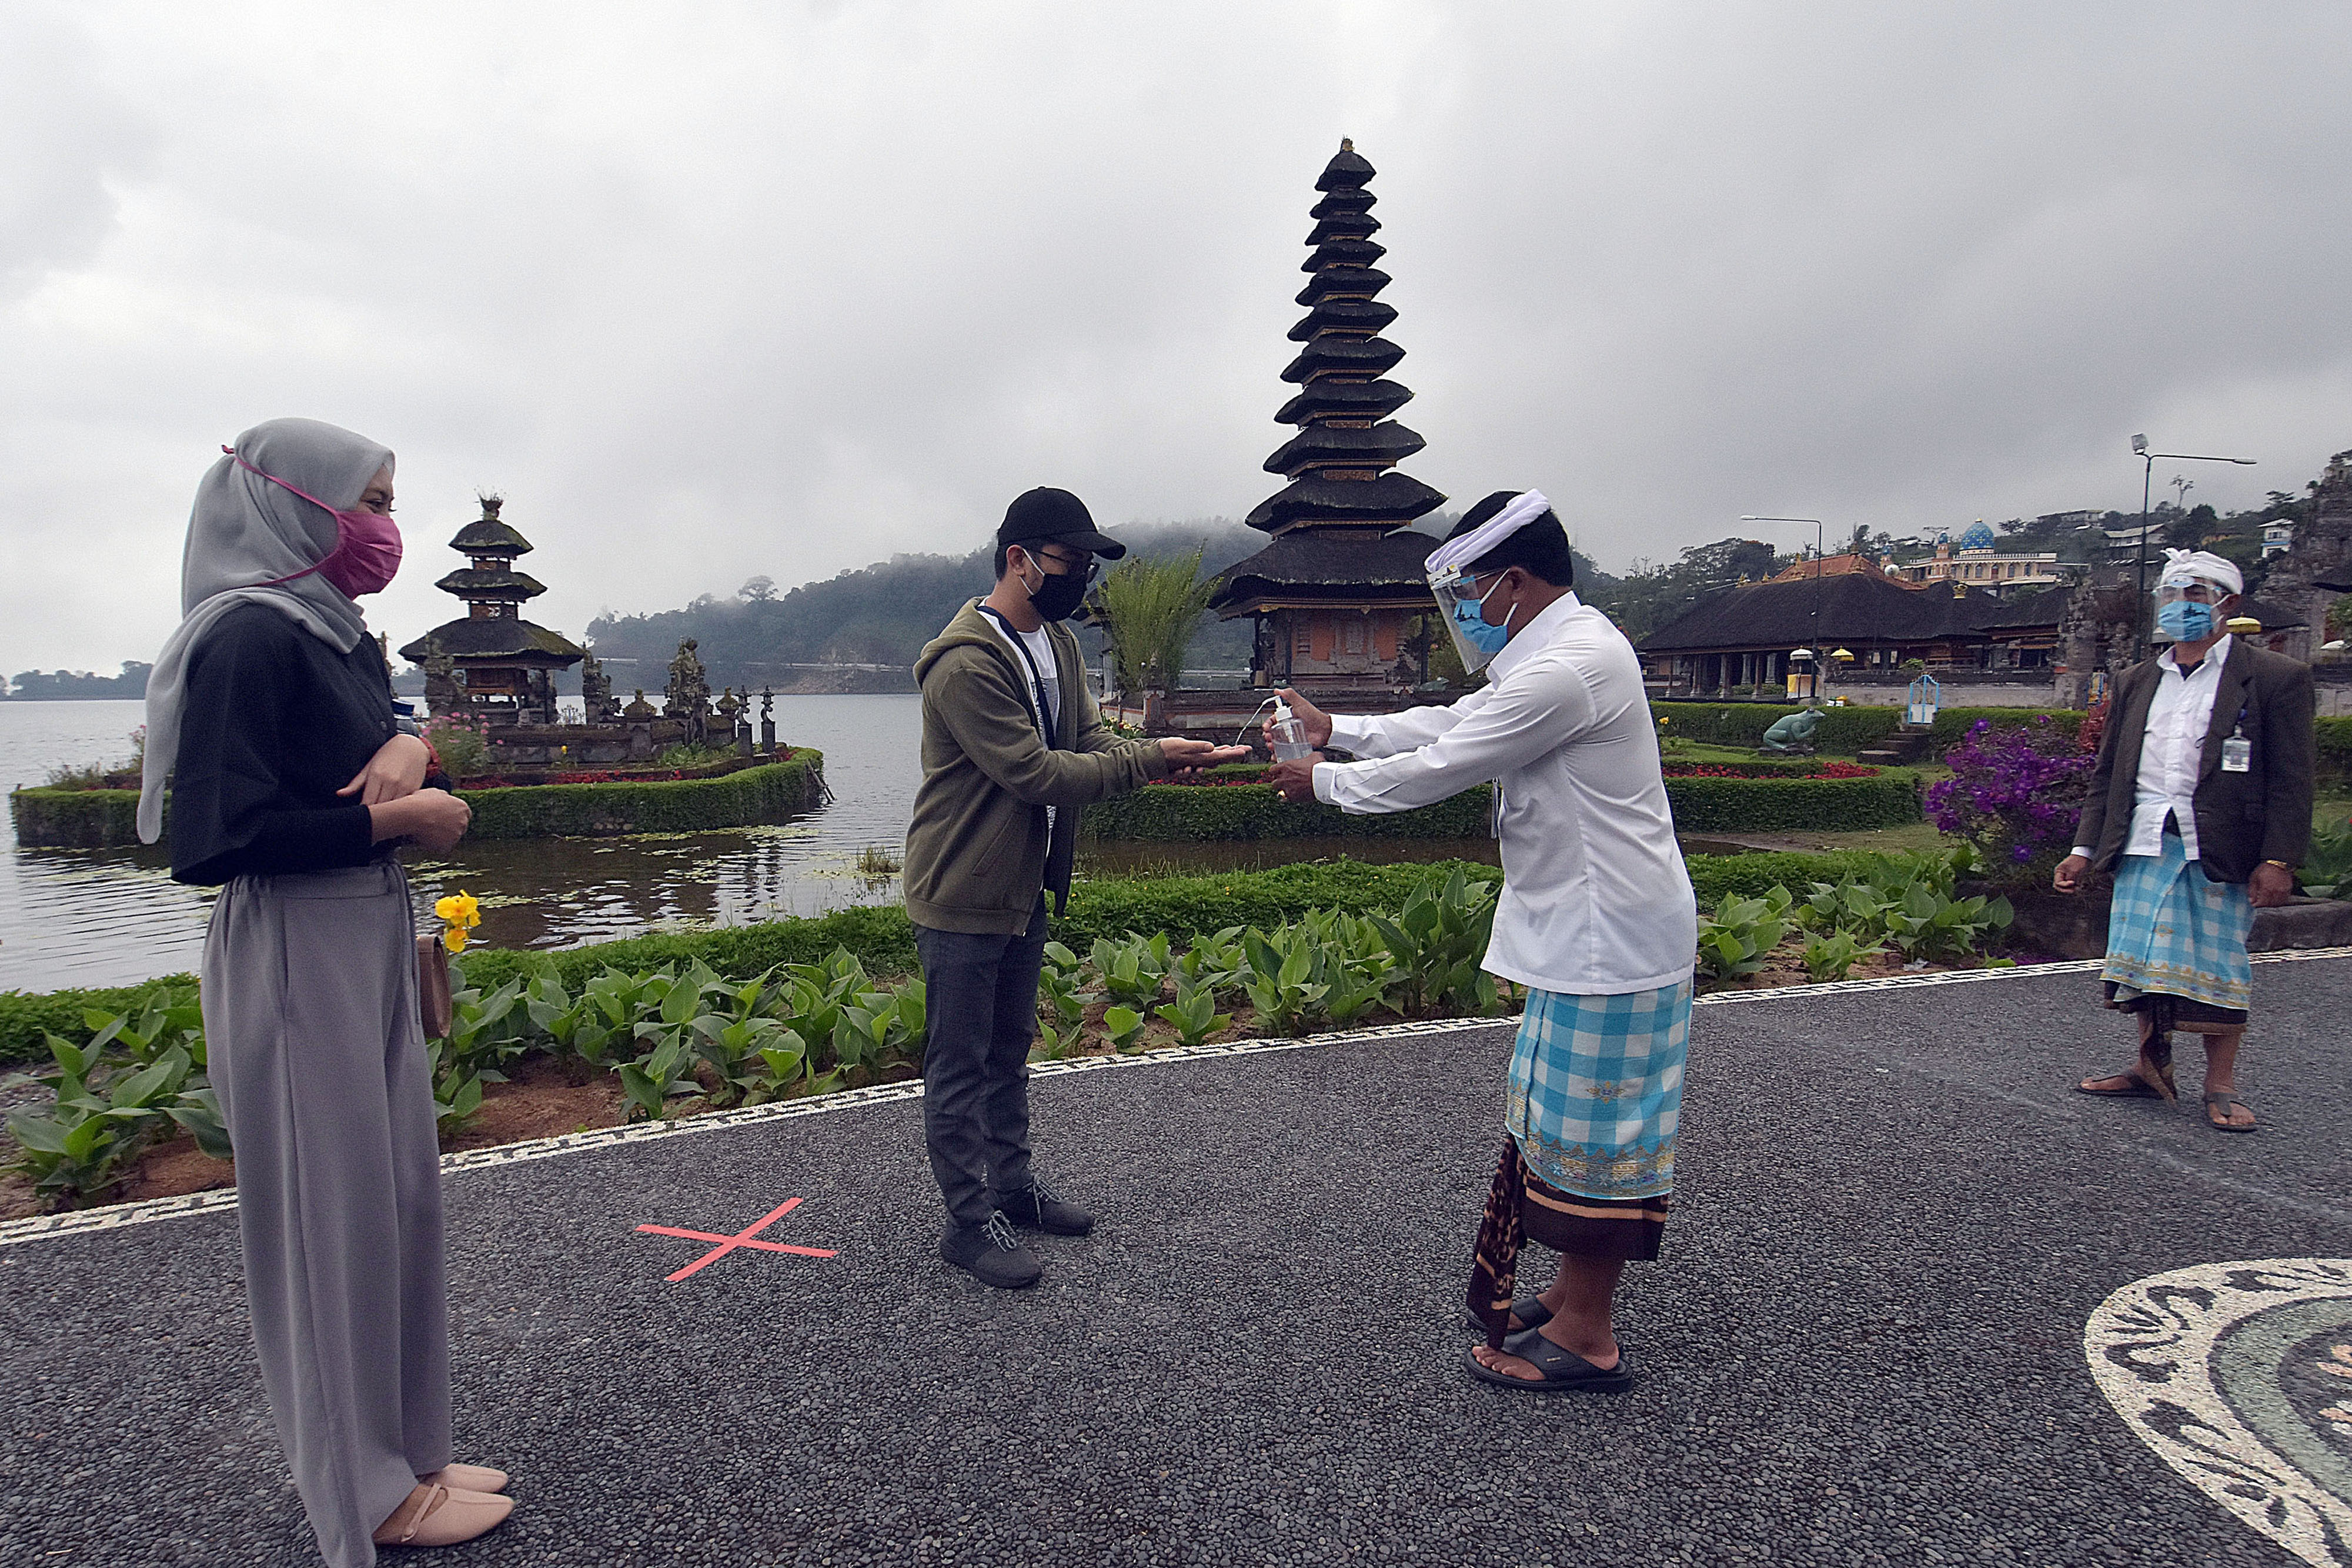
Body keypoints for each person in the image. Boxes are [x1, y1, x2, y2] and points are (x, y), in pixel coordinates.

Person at [141, 419, 510, 1561]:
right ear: (290, 504)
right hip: (298, 944)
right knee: (326, 1221)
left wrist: (413, 748)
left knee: (393, 1202)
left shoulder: (331, 630)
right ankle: (365, 1494)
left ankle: (409, 1450)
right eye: (370, 500)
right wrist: (396, 815)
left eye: (391, 500)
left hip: (364, 934)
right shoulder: (246, 637)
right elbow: (212, 838)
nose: (383, 527)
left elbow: (361, 758)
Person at [1264, 490, 1697, 1393]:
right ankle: (1574, 1293)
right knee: (1562, 1125)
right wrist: (1336, 728)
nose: (1462, 611)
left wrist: (1326, 784)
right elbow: (1456, 722)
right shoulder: (1551, 656)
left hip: (1608, 938)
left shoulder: (1566, 668)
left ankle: (1589, 1334)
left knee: (1596, 1136)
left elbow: (1444, 765)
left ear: (1513, 582)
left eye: (1467, 592)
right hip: (1589, 937)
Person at [903, 487, 1247, 1288]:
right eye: (1070, 561)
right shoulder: (964, 663)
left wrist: (1156, 747)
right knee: (958, 1062)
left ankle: (1013, 1187)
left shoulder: (1054, 644)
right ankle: (966, 1219)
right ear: (1019, 559)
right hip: (961, 886)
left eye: (1087, 563)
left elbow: (1086, 739)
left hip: (1021, 887)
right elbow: (1034, 772)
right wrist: (1156, 757)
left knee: (1008, 1051)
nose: (1080, 576)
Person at [2054, 549, 2313, 1134]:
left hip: (2220, 845)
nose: (2181, 607)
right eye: (2172, 597)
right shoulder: (2136, 680)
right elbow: (2109, 774)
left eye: (2195, 596)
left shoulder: (2274, 678)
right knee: (2143, 962)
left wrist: (2278, 859)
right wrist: (2083, 848)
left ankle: (2219, 1085)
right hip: (2146, 838)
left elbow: (2293, 777)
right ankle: (2149, 1066)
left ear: (2229, 604)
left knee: (2217, 964)